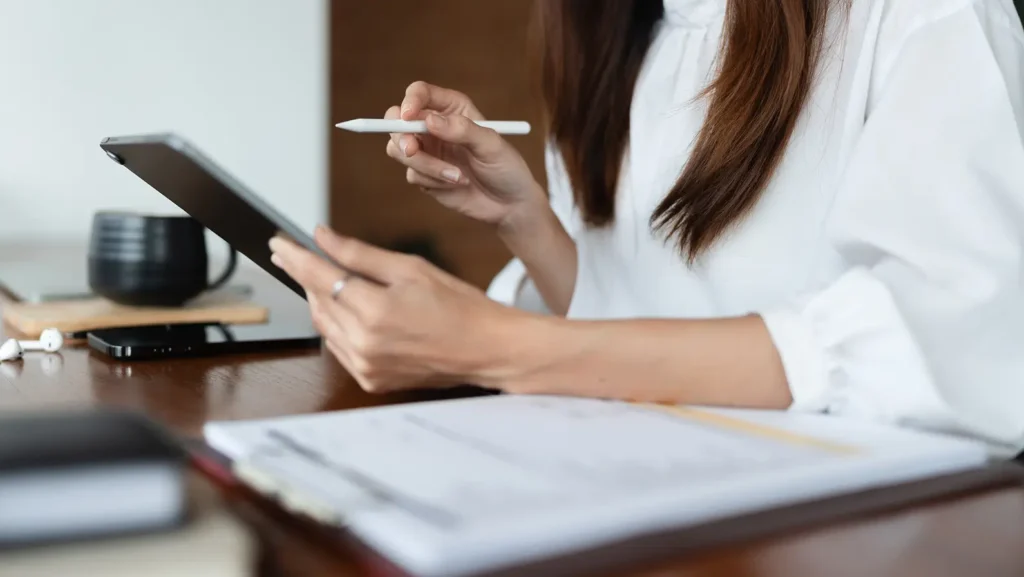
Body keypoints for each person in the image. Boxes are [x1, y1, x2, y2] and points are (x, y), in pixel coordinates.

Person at [269, 0, 1024, 456]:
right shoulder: (620, 36)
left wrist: (498, 345)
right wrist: (527, 220)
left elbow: (949, 350)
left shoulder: (927, 16)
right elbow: (637, 328)